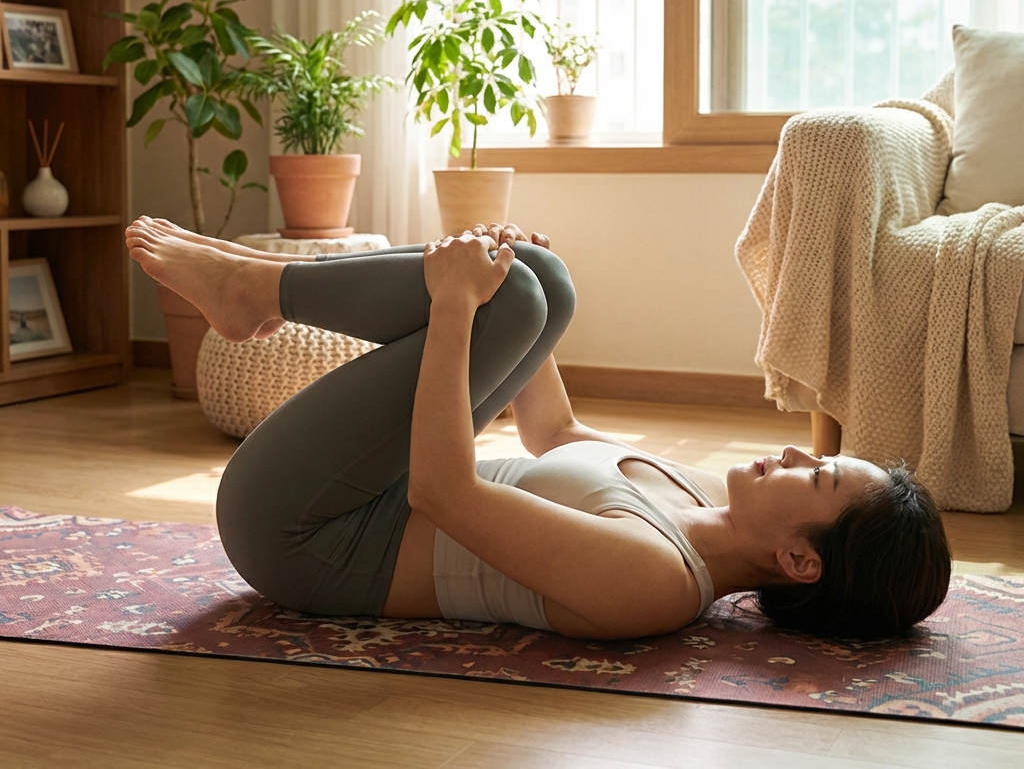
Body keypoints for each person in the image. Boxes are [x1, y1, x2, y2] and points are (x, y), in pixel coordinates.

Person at [125, 216, 951, 641]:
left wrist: (459, 308)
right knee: (540, 282)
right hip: (356, 499)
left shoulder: (658, 582)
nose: (803, 451)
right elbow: (550, 430)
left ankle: (256, 291)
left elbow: (443, 491)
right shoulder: (690, 499)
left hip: (303, 536)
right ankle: (258, 288)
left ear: (800, 560)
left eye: (821, 476)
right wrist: (528, 303)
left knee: (507, 297)